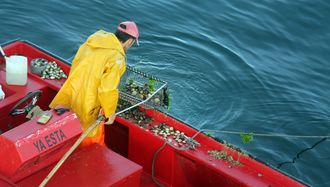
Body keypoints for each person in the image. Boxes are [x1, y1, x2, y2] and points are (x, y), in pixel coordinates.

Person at [49, 21, 139, 146]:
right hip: (88, 102)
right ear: (130, 41)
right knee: (89, 137)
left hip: (70, 92)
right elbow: (107, 89)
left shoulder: (93, 41)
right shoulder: (117, 58)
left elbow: (76, 62)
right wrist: (110, 112)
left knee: (65, 125)